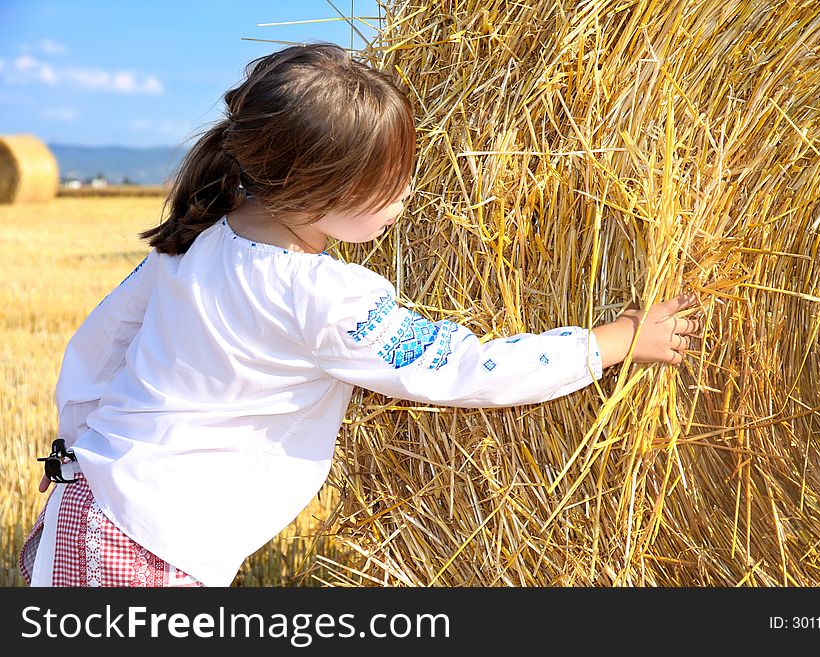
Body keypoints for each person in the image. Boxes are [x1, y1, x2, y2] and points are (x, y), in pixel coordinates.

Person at [19, 43, 702, 587]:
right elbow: (464, 368)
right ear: (317, 188)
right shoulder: (326, 298)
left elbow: (97, 345)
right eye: (391, 180)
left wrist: (73, 449)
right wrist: (612, 341)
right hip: (154, 554)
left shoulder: (192, 239)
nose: (408, 194)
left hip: (82, 510)